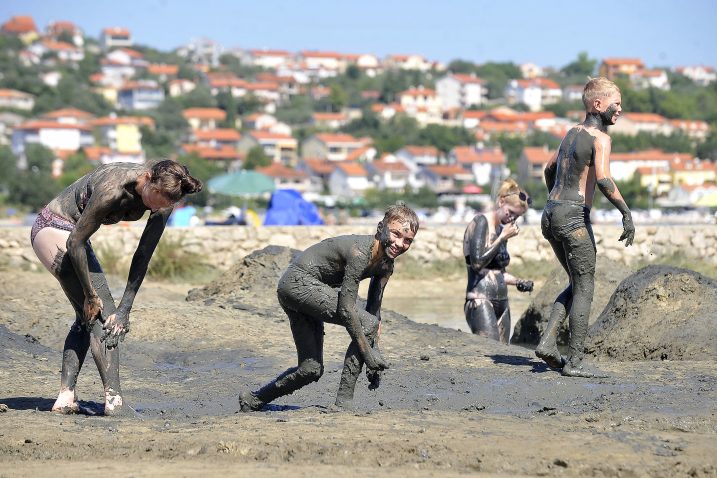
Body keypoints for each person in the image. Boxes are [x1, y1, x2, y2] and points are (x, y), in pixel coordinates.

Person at [30, 160, 203, 415]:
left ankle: (65, 398)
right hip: (54, 229)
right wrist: (91, 295)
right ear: (146, 178)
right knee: (103, 315)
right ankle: (115, 402)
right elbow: (75, 242)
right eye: (156, 198)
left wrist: (126, 308)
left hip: (73, 236)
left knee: (89, 318)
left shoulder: (165, 198)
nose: (157, 206)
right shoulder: (113, 188)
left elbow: (143, 254)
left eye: (166, 203)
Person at [239, 204, 419, 411]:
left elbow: (373, 312)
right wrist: (368, 355)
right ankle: (343, 402)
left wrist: (375, 355)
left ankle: (253, 400)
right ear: (381, 228)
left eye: (408, 240)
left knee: (311, 369)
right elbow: (346, 308)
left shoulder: (387, 265)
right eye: (396, 234)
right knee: (365, 322)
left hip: (309, 290)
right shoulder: (360, 252)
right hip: (297, 283)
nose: (399, 243)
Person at [535, 77, 635, 378]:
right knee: (585, 286)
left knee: (576, 283)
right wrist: (626, 212)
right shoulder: (600, 138)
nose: (619, 109)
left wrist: (556, 198)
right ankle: (576, 362)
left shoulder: (569, 133)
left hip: (550, 214)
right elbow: (604, 179)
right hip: (573, 217)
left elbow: (549, 169)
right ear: (598, 104)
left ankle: (548, 343)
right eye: (616, 104)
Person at [463, 179, 534, 343]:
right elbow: (477, 264)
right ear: (501, 201)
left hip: (502, 301)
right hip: (479, 299)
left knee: (502, 354)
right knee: (489, 348)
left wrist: (518, 282)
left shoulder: (502, 229)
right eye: (511, 212)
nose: (512, 218)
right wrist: (502, 238)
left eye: (517, 216)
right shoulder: (481, 222)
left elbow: (497, 272)